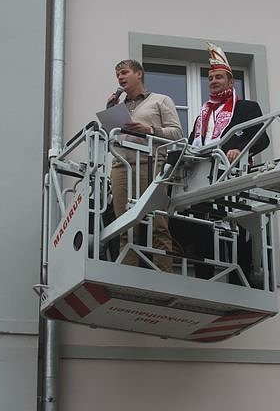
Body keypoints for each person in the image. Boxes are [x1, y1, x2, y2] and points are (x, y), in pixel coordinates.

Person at [177, 43, 270, 281]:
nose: (213, 81)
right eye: (210, 78)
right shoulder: (203, 115)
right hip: (201, 181)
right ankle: (203, 277)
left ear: (231, 82)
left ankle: (242, 278)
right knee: (198, 227)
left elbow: (262, 140)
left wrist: (239, 149)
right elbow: (193, 146)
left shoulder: (246, 107)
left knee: (238, 227)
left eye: (219, 77)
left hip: (232, 179)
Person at [106, 59, 183, 271]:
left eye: (124, 72)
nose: (120, 77)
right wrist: (109, 110)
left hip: (150, 163)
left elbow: (177, 134)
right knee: (125, 226)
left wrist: (150, 130)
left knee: (157, 223)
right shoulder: (118, 106)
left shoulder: (160, 100)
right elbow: (111, 139)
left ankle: (164, 274)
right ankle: (128, 275)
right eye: (118, 75)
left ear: (139, 74)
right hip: (121, 166)